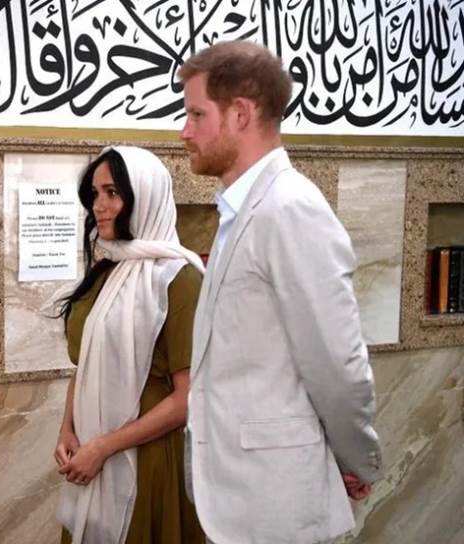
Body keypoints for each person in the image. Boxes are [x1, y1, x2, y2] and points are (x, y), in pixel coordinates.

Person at [179, 41, 383, 543]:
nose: (184, 132)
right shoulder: (242, 210)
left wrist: (357, 459)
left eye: (196, 115)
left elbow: (336, 362)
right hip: (238, 500)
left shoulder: (290, 209)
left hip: (274, 507)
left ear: (241, 114)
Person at [53, 146, 207, 544]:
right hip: (91, 453)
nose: (99, 206)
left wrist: (104, 446)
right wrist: (68, 429)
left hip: (147, 458)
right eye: (94, 194)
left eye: (112, 193)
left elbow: (187, 398)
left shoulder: (178, 279)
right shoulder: (107, 272)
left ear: (144, 197)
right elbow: (87, 363)